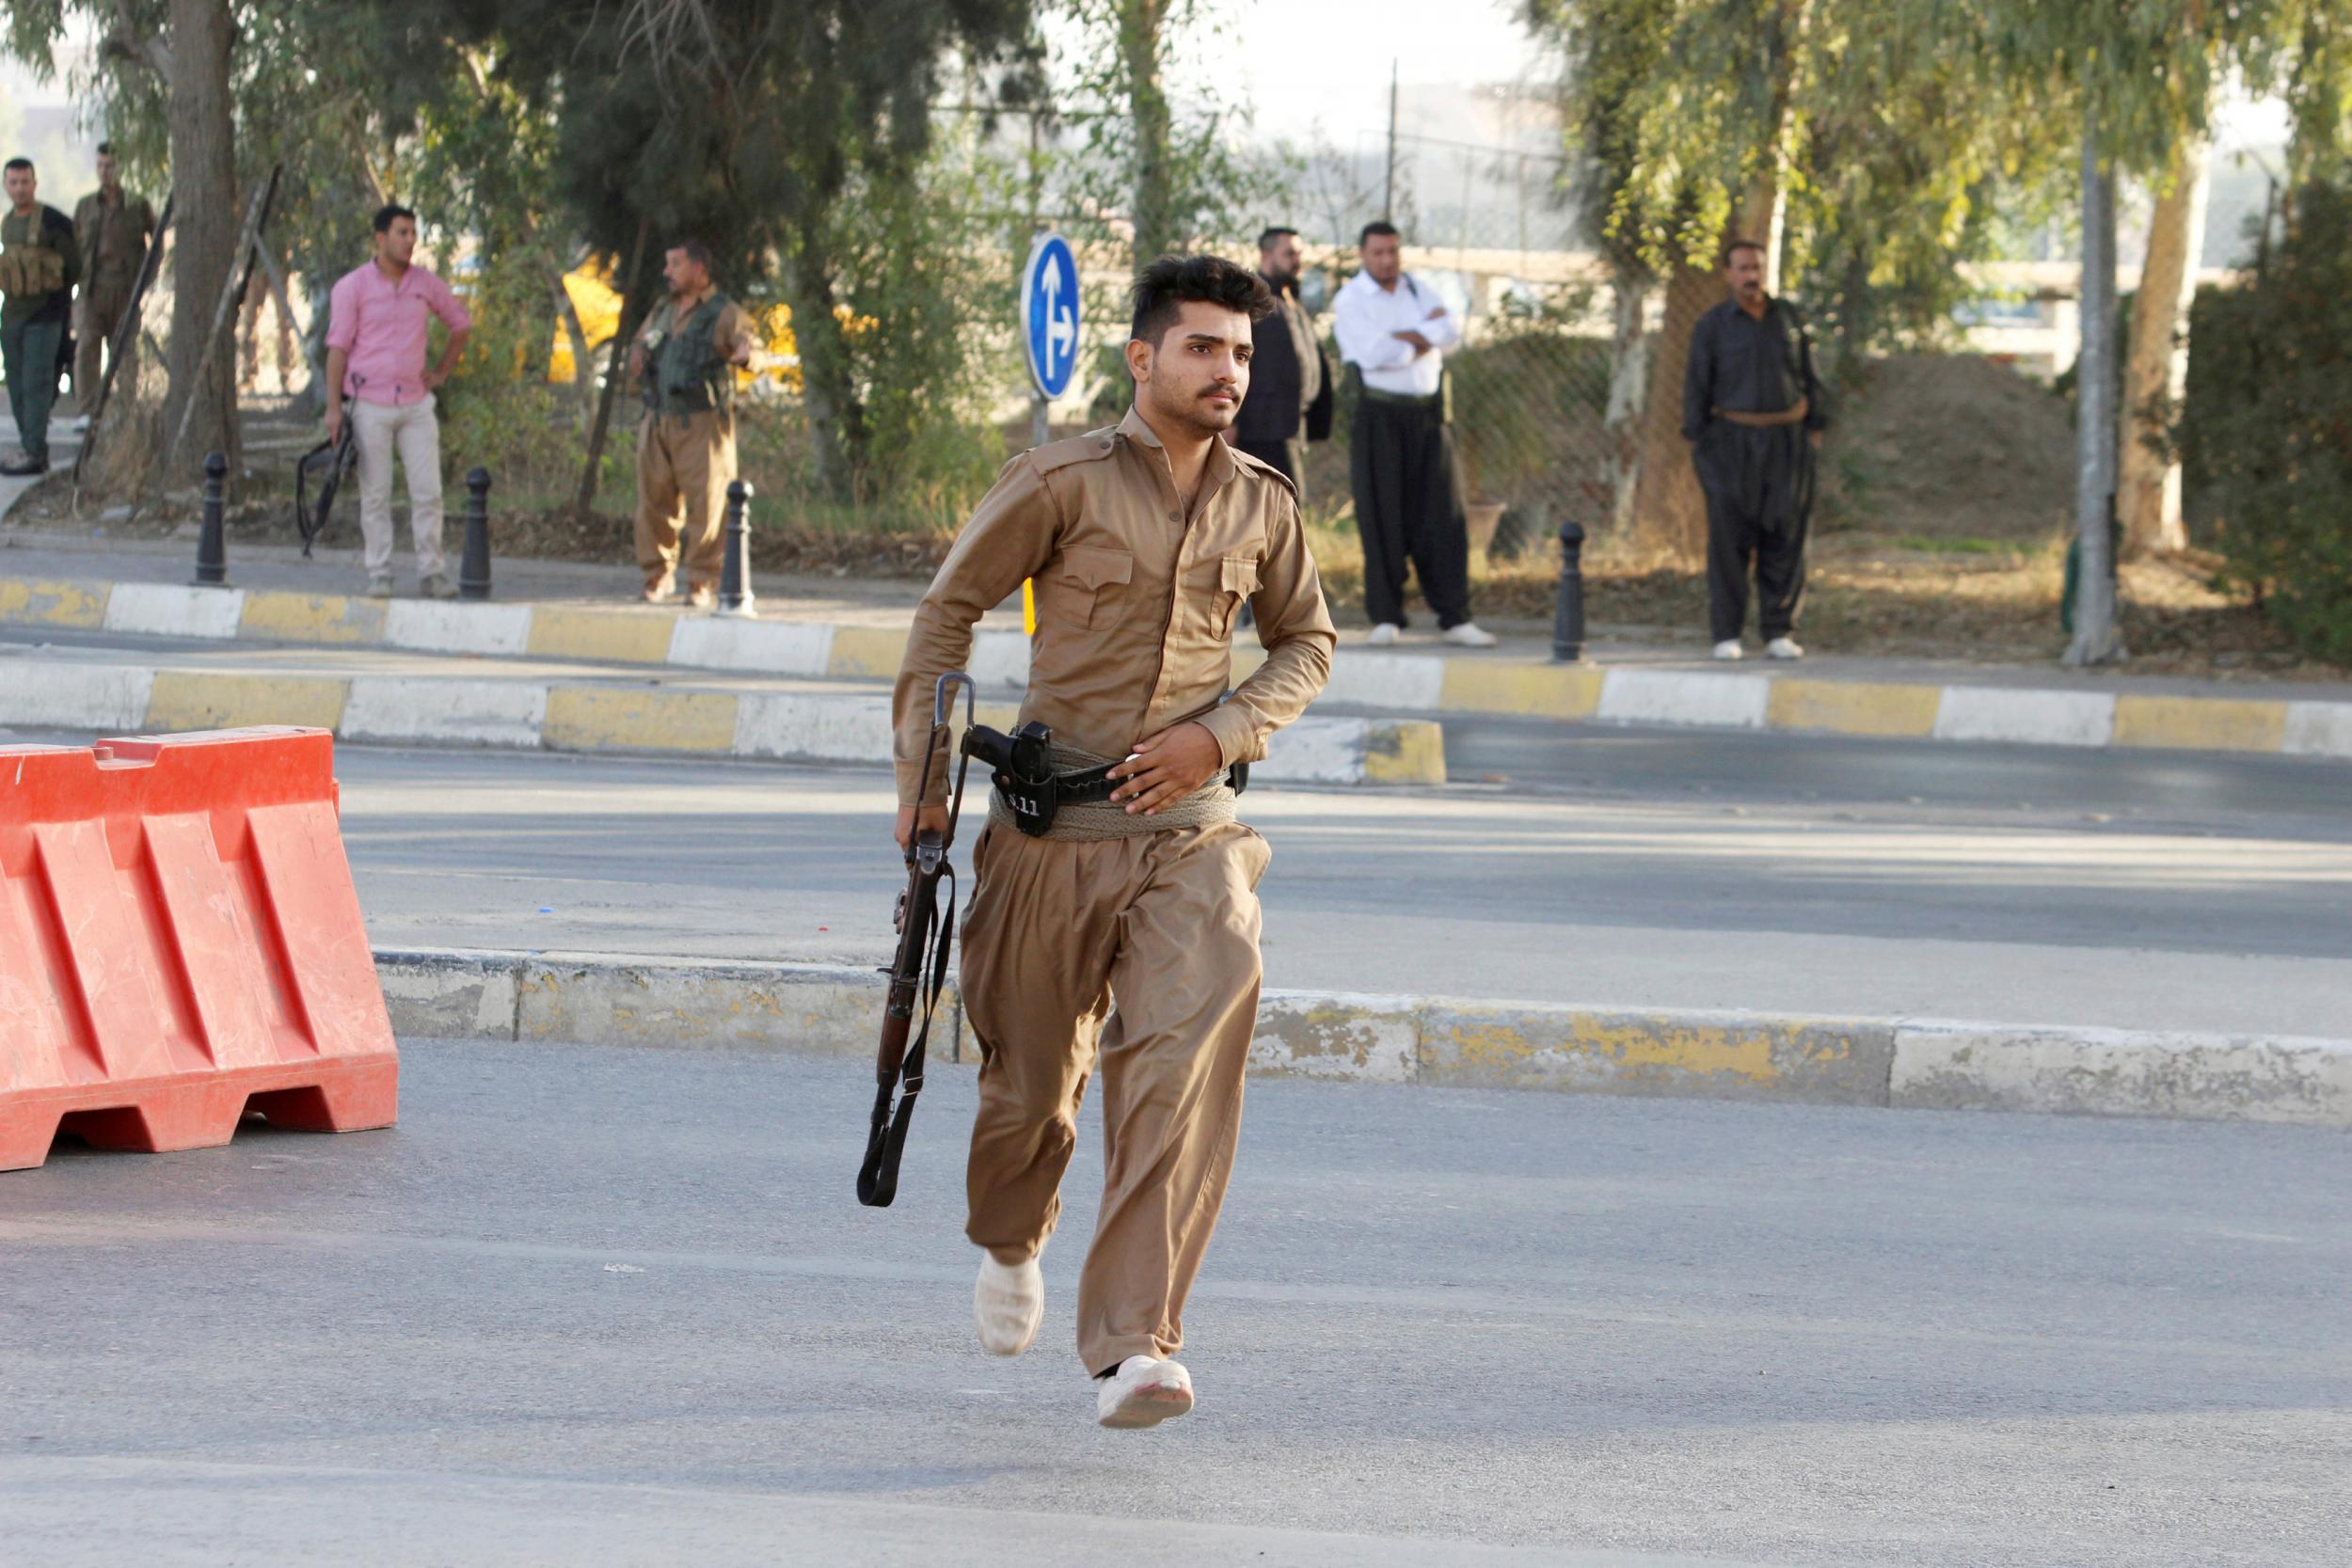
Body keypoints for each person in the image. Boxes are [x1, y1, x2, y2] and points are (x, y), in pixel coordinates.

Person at [889, 253, 1334, 1430]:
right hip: (1047, 837)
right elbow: (946, 615)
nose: (1226, 369)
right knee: (1028, 1095)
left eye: (1240, 351)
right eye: (1202, 346)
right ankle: (1008, 1236)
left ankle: (1135, 1341)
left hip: (1191, 832)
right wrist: (924, 780)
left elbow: (1307, 641)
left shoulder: (1263, 501)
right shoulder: (1058, 481)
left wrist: (1224, 731)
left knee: (1181, 1060)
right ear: (1143, 358)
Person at [1330, 219, 1496, 648]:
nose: (1387, 260)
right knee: (1384, 513)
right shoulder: (1351, 299)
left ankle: (1454, 615)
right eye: (1378, 253)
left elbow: (1452, 332)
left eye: (1393, 251)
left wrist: (1405, 338)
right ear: (1364, 255)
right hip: (1380, 417)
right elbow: (1371, 352)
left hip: (1429, 416)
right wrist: (1424, 337)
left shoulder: (1420, 290)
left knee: (1443, 513)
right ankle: (1387, 615)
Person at [1681, 238, 1826, 661]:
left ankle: (1779, 630)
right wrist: (1702, 442)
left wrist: (1814, 423)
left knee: (1785, 534)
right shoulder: (1713, 326)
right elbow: (1696, 386)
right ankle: (1727, 633)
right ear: (1728, 274)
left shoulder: (1790, 319)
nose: (1752, 276)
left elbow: (1810, 376)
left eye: (1758, 268)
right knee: (1729, 538)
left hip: (1786, 441)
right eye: (1743, 268)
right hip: (1732, 442)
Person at [324, 203, 472, 598]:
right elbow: (337, 348)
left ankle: (432, 571)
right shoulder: (352, 287)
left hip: (415, 403)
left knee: (428, 491)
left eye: (412, 234)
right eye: (401, 233)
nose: (409, 241)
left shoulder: (425, 283)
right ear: (380, 238)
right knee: (376, 493)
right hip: (368, 403)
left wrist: (440, 372)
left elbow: (461, 324)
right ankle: (380, 572)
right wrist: (333, 408)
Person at [628, 238, 755, 608]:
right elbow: (642, 341)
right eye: (667, 264)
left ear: (699, 270)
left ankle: (702, 581)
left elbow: (750, 346)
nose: (667, 271)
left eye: (676, 264)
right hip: (658, 417)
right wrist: (638, 355)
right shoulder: (663, 310)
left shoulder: (723, 311)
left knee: (708, 503)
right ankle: (657, 575)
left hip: (702, 423)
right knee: (652, 500)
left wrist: (746, 355)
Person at [1227, 226, 1329, 494]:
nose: (1297, 260)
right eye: (1289, 254)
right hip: (1259, 431)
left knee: (1288, 512)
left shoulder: (1289, 300)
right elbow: (1234, 362)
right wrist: (1230, 422)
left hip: (1289, 429)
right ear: (1267, 256)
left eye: (1299, 254)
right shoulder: (1251, 302)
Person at [1, 156, 82, 477]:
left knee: (36, 382)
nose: (20, 188)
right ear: (6, 185)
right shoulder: (7, 224)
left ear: (34, 183)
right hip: (13, 316)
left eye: (25, 182)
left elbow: (73, 267)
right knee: (17, 384)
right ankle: (29, 445)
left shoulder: (53, 221)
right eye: (13, 182)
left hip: (45, 314)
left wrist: (60, 308)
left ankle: (35, 451)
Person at [70, 143, 157, 420]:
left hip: (125, 288)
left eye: (110, 166)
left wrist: (147, 280)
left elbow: (156, 245)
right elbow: (72, 247)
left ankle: (126, 409)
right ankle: (87, 411)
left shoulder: (137, 204)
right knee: (87, 347)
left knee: (127, 350)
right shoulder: (85, 206)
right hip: (91, 289)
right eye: (100, 166)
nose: (105, 172)